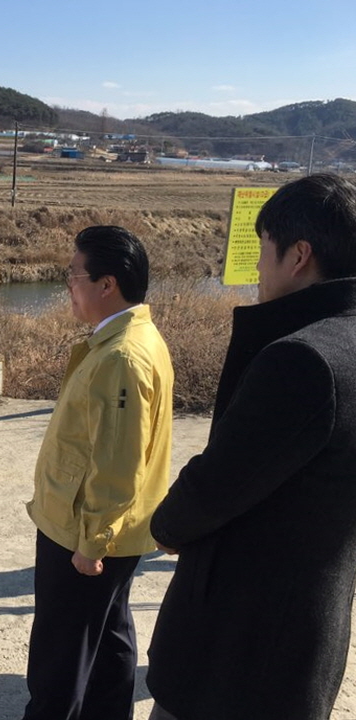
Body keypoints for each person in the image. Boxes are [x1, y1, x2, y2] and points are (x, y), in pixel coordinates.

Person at [147, 173, 356, 720]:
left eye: (266, 249)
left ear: (298, 255)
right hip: (309, 636)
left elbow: (216, 485)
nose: (260, 266)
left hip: (237, 649)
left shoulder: (301, 360)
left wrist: (164, 527)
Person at [22, 225, 174, 720]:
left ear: (107, 284)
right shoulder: (136, 337)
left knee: (59, 661)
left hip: (83, 533)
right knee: (108, 643)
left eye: (74, 274)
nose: (68, 283)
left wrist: (93, 543)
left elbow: (118, 463)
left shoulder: (122, 357)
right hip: (113, 532)